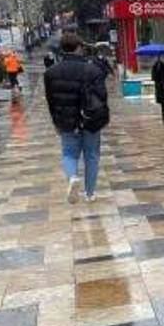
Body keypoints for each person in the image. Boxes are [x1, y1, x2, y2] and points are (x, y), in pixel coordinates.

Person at [43, 33, 109, 203]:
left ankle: (72, 177)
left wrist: (55, 121)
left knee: (69, 154)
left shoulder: (51, 73)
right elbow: (102, 96)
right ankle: (90, 193)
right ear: (79, 48)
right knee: (92, 155)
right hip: (91, 121)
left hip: (66, 121)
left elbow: (51, 100)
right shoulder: (92, 70)